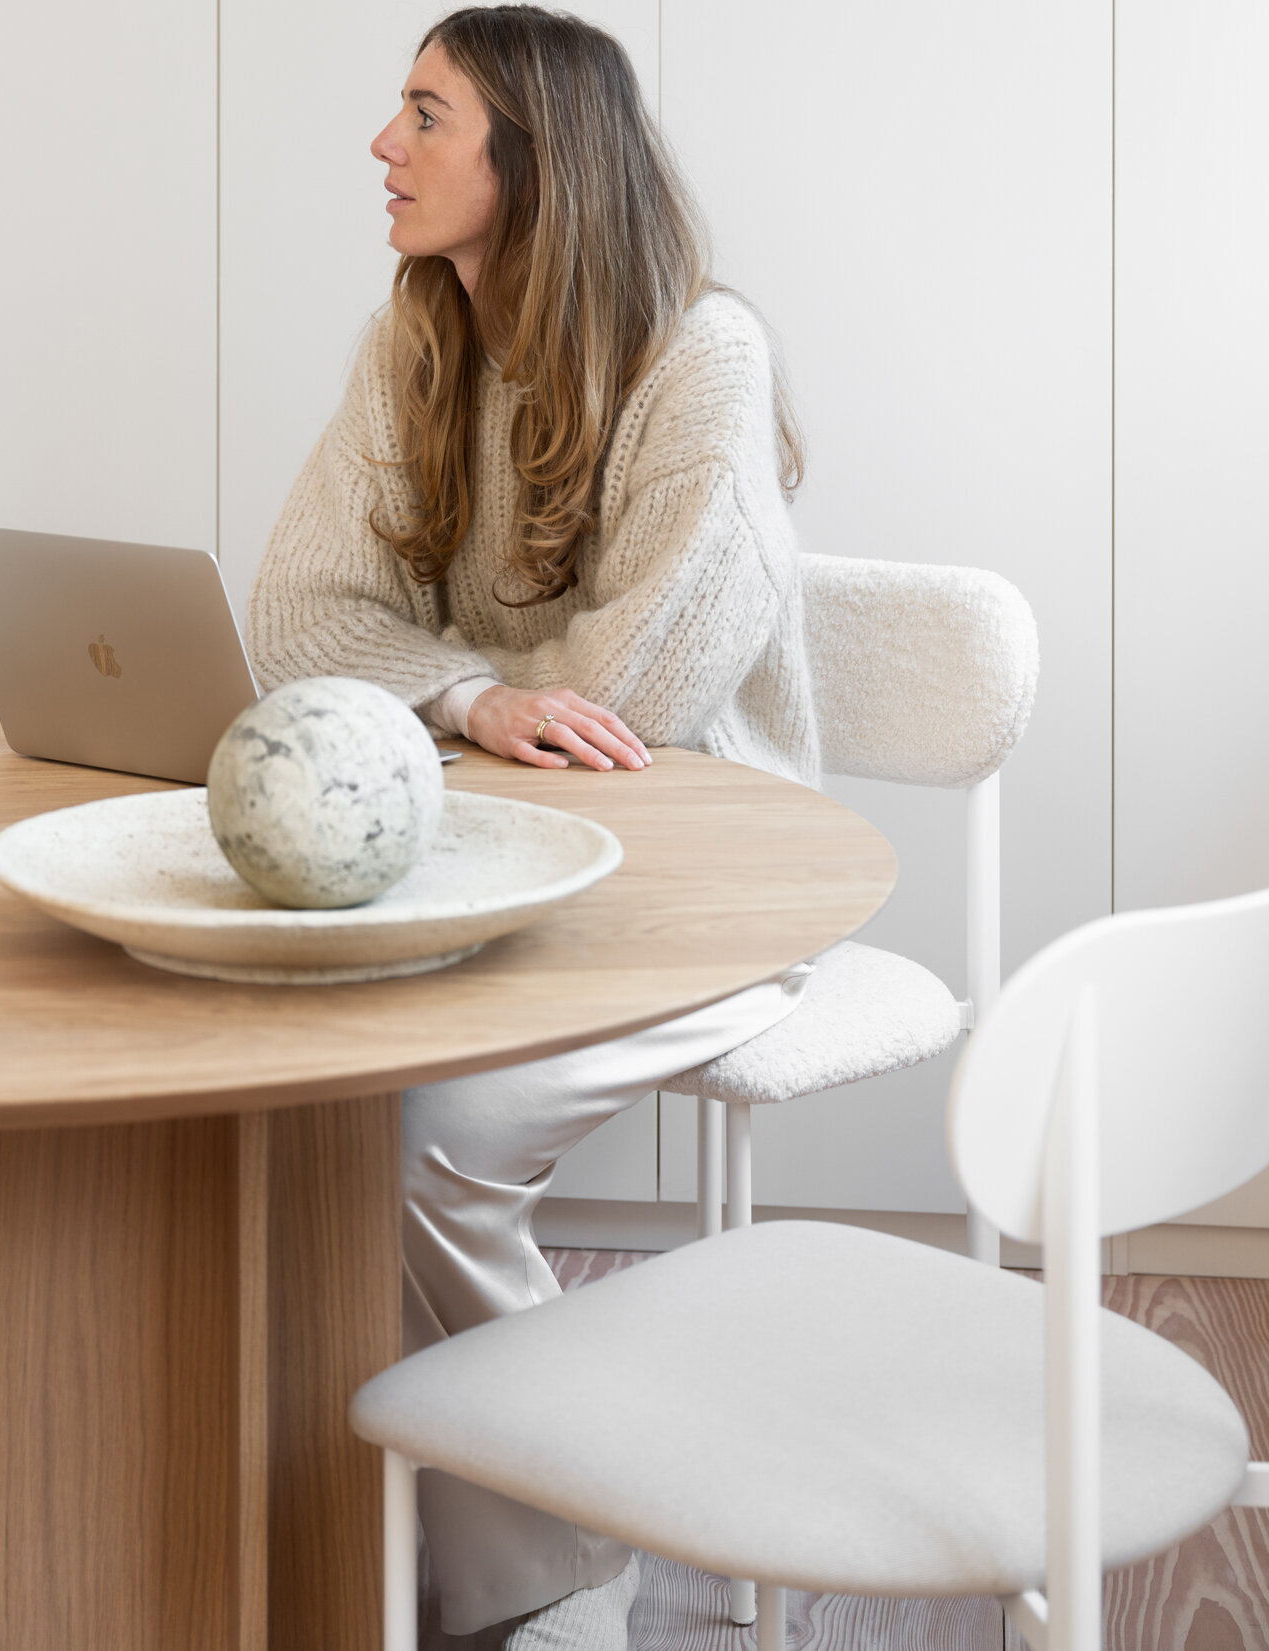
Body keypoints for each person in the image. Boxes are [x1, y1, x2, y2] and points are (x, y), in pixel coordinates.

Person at [246, 7, 819, 1645]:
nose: (383, 147)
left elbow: (624, 704)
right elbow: (298, 620)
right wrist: (480, 698)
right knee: (302, 1101)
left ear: (535, 161)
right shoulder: (414, 335)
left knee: (422, 1130)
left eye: (425, 116)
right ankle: (406, 1536)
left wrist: (444, 686)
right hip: (486, 861)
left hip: (715, 893)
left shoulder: (700, 357)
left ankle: (551, 1563)